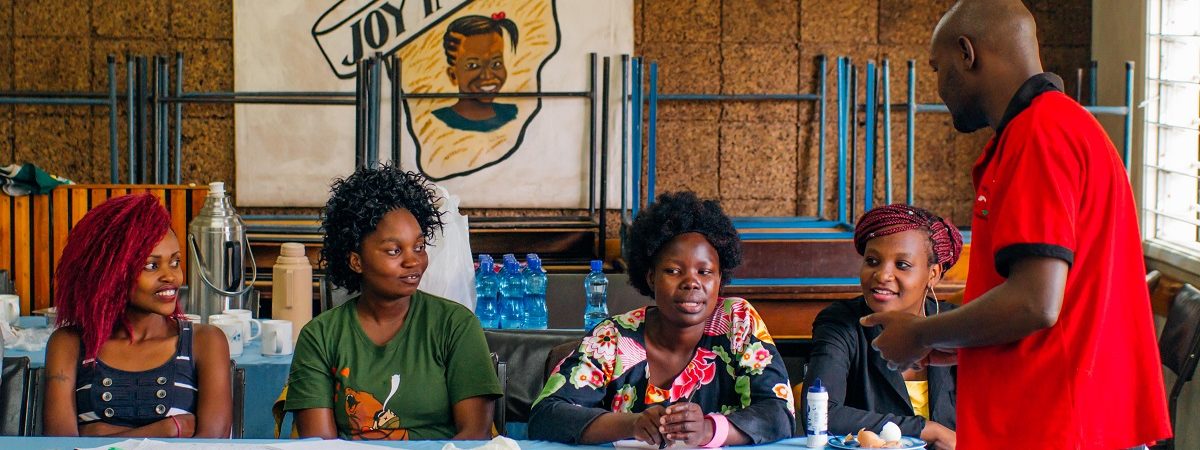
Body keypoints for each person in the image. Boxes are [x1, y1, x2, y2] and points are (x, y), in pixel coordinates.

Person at [862, 1, 1172, 449]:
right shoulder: (1063, 126)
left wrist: (922, 332)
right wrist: (967, 340)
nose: (937, 87)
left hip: (1060, 425)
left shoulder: (1040, 134)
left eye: (937, 68)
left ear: (967, 54)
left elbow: (1036, 302)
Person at [528, 191, 794, 447]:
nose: (691, 282)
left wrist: (709, 429)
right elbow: (546, 416)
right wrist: (631, 424)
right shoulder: (614, 337)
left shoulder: (737, 322)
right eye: (673, 270)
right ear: (651, 277)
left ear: (720, 279)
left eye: (705, 272)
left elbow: (779, 413)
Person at [284, 164, 502, 440]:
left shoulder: (455, 325)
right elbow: (320, 445)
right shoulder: (320, 337)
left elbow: (474, 434)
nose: (413, 261)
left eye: (420, 247)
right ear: (356, 261)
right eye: (394, 250)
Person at [43, 194, 232, 438]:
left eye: (175, 262)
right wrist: (169, 429)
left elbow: (211, 445)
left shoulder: (206, 342)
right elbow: (60, 445)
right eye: (151, 266)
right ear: (110, 272)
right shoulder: (68, 343)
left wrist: (97, 434)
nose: (171, 277)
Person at [803, 204, 961, 450]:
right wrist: (928, 430)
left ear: (933, 274)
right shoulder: (840, 323)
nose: (882, 275)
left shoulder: (955, 326)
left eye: (902, 265)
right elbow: (822, 413)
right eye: (873, 261)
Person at [433, 12, 519, 132]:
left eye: (496, 64)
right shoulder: (436, 123)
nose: (487, 76)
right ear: (453, 75)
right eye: (473, 65)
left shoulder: (514, 113)